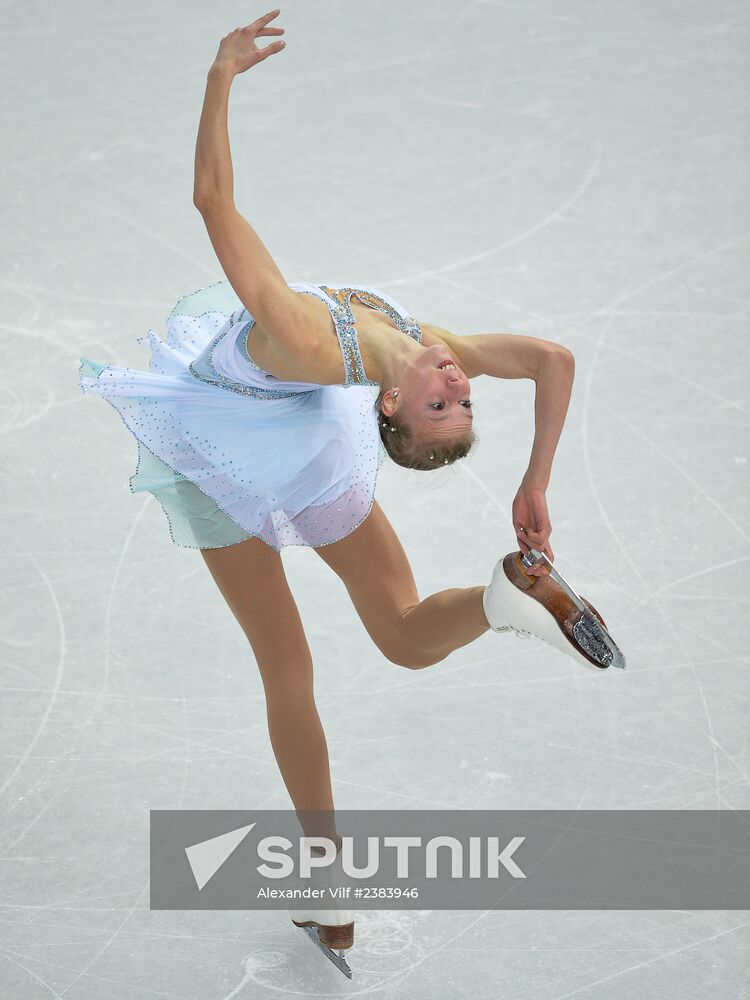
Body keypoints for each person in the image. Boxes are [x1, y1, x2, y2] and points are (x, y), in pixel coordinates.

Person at [79, 10, 621, 959]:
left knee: (309, 661)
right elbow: (551, 359)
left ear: (390, 408)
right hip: (278, 432)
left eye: (446, 403)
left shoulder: (304, 336)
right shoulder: (422, 343)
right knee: (366, 644)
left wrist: (220, 74)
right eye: (461, 400)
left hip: (237, 437)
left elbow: (211, 199)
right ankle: (496, 605)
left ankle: (333, 881)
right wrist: (533, 481)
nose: (458, 385)